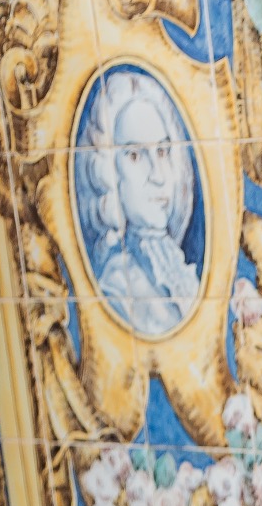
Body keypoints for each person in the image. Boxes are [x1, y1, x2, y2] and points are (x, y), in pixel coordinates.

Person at [77, 69, 201, 337]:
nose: (158, 176)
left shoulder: (175, 265)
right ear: (109, 173)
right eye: (135, 156)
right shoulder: (118, 286)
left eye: (162, 151)